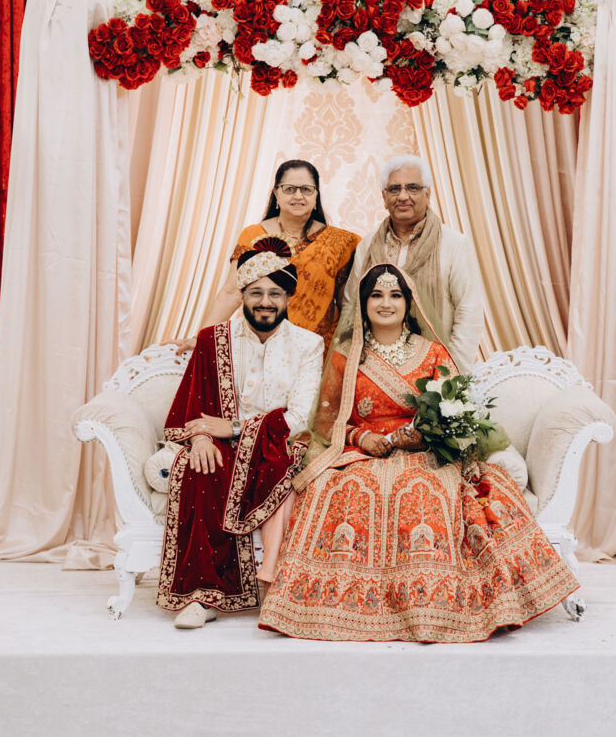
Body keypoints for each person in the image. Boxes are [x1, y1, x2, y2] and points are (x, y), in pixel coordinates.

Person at [259, 264, 579, 642]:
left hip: (424, 452)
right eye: (376, 295)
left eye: (395, 295)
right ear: (363, 303)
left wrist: (423, 436)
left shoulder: (432, 353)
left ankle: (433, 603)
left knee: (426, 492)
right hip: (362, 454)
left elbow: (454, 411)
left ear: (409, 303)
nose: (386, 303)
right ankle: (344, 602)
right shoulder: (347, 355)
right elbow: (326, 421)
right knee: (340, 490)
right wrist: (362, 437)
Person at [156, 237, 324, 629]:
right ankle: (204, 594)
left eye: (275, 294)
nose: (265, 302)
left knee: (283, 470)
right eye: (256, 293)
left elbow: (300, 417)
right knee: (200, 469)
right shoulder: (213, 339)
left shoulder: (309, 344)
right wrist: (200, 436)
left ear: (288, 298)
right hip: (217, 441)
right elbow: (193, 408)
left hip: (277, 443)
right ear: (243, 295)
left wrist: (233, 428)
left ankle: (274, 584)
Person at [173, 159, 360, 350]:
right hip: (260, 344)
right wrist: (201, 338)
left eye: (306, 189)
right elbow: (232, 292)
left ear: (316, 196)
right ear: (276, 194)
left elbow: (347, 304)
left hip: (317, 349)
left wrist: (349, 350)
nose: (298, 196)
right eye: (289, 189)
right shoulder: (254, 235)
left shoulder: (342, 242)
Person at [342, 154, 485, 370]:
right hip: (374, 370)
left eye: (412, 188)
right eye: (394, 189)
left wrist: (450, 374)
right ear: (384, 197)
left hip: (436, 371)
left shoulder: (454, 244)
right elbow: (351, 305)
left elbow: (469, 313)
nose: (403, 196)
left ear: (428, 194)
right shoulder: (368, 245)